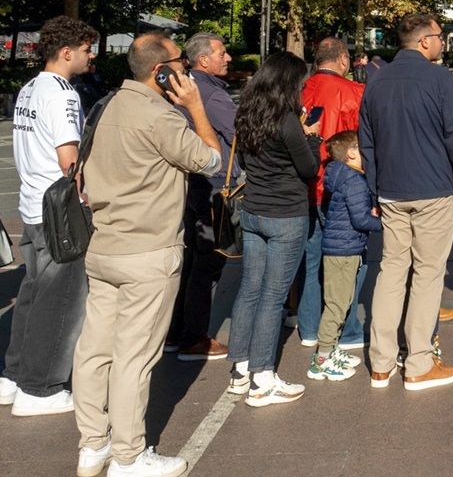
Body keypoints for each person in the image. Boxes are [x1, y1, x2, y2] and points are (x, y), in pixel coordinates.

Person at [75, 33, 223, 477]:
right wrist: (195, 107)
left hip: (104, 245)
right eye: (180, 63)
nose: (185, 71)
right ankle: (129, 456)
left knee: (95, 351)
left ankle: (93, 444)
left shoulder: (106, 105)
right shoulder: (160, 117)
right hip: (148, 251)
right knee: (134, 359)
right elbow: (211, 160)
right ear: (161, 71)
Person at [359, 13, 453, 390]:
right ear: (425, 41)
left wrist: (374, 189)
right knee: (427, 274)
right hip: (433, 188)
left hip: (391, 189)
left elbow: (368, 142)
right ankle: (419, 362)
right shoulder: (441, 79)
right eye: (440, 36)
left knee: (391, 270)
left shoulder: (377, 80)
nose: (443, 42)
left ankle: (381, 361)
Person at [3, 16, 96, 417]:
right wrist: (87, 198)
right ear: (66, 52)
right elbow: (68, 159)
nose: (91, 56)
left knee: (33, 293)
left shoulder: (30, 88)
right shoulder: (62, 94)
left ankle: (15, 375)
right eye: (87, 50)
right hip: (58, 210)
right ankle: (41, 388)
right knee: (62, 301)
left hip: (32, 204)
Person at [225, 52, 322, 407]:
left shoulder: (246, 113)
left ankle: (240, 369)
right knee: (273, 296)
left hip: (253, 210)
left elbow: (245, 159)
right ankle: (263, 378)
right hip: (286, 214)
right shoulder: (287, 120)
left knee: (250, 289)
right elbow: (308, 168)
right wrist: (313, 139)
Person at [166, 33, 236, 362]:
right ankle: (193, 337)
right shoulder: (211, 94)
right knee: (207, 263)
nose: (228, 58)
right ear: (204, 60)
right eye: (222, 53)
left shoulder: (186, 88)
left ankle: (177, 332)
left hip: (192, 182)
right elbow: (238, 134)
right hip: (213, 184)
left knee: (193, 260)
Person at [297, 37, 366, 349]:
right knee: (349, 260)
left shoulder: (301, 88)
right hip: (342, 183)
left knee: (311, 260)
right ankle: (347, 329)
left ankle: (309, 327)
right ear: (343, 59)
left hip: (307, 183)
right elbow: (362, 138)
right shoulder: (354, 92)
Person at [307, 130, 379, 382]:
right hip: (345, 250)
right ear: (351, 153)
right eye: (362, 149)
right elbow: (360, 220)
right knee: (337, 306)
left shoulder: (339, 176)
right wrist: (385, 223)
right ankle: (322, 360)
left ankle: (331, 349)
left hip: (340, 248)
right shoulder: (355, 181)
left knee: (340, 301)